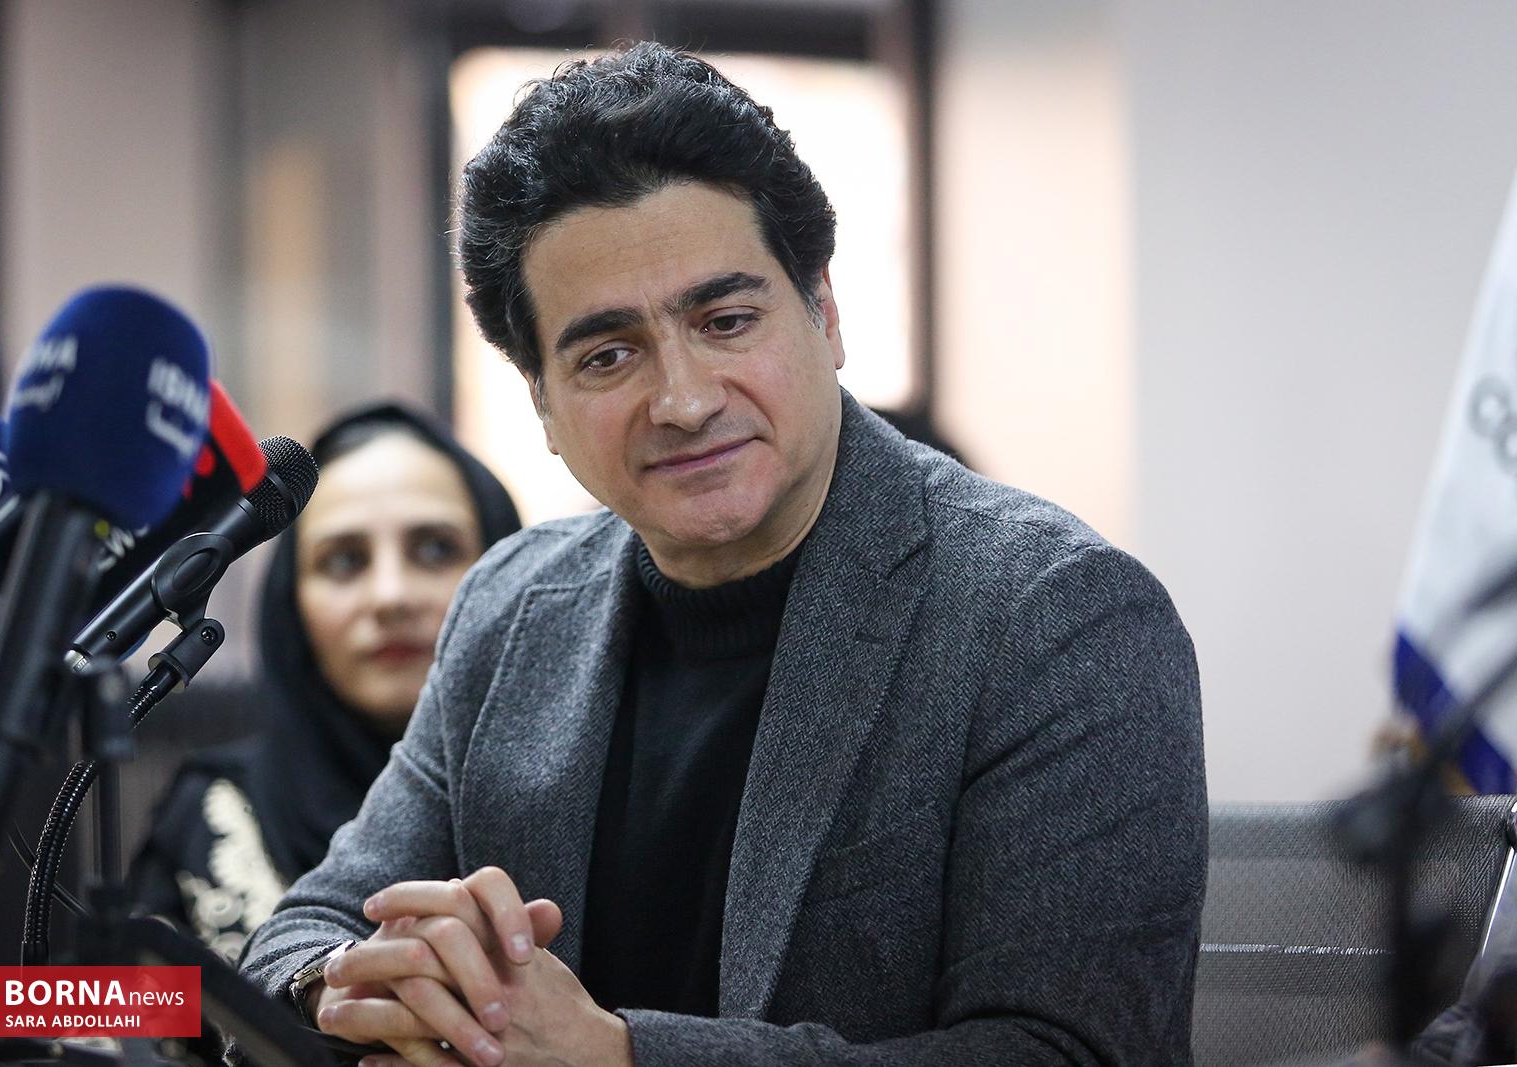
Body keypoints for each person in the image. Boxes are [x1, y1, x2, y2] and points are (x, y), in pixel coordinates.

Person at [239, 43, 1207, 1067]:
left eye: (726, 319)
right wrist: (359, 986)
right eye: (608, 354)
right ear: (544, 407)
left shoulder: (1054, 615)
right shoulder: (511, 606)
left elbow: (1069, 1052)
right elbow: (300, 935)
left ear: (825, 313)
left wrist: (618, 1056)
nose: (685, 399)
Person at [129, 402, 522, 962]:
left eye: (436, 549)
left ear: (510, 570)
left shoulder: (593, 786)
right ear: (291, 604)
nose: (390, 596)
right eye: (343, 561)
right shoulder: (215, 813)